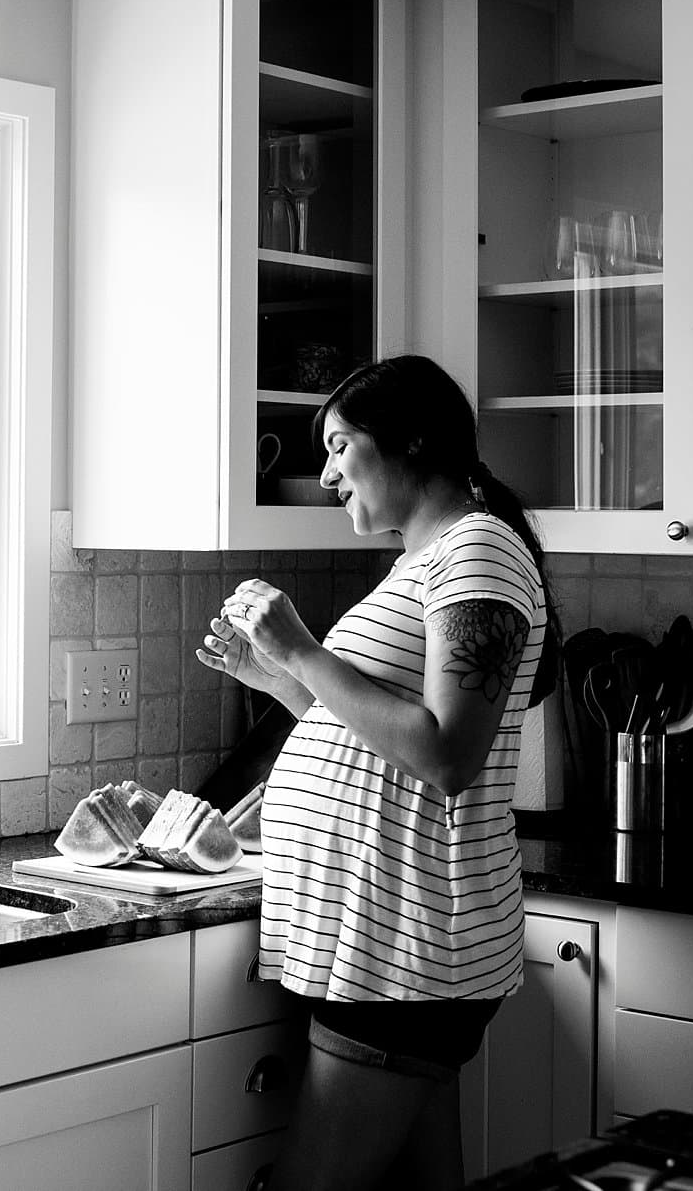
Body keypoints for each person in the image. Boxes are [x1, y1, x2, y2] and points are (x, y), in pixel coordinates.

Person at [195, 354, 556, 1191]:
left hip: (408, 951)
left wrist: (303, 649)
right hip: (387, 947)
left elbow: (446, 753)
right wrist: (279, 677)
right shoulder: (429, 557)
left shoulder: (479, 553)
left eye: (340, 446)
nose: (325, 474)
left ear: (414, 442)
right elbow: (378, 739)